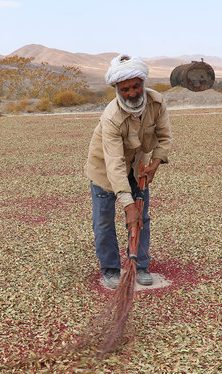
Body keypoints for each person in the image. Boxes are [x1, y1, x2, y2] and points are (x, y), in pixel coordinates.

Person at [84, 54, 173, 289]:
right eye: (125, 89)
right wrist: (127, 204)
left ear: (143, 83)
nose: (132, 93)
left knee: (141, 217)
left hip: (138, 168)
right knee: (104, 221)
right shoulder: (111, 118)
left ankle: (140, 265)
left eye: (136, 86)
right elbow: (114, 165)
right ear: (116, 89)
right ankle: (111, 269)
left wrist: (156, 162)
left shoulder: (156, 102)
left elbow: (164, 138)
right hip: (104, 170)